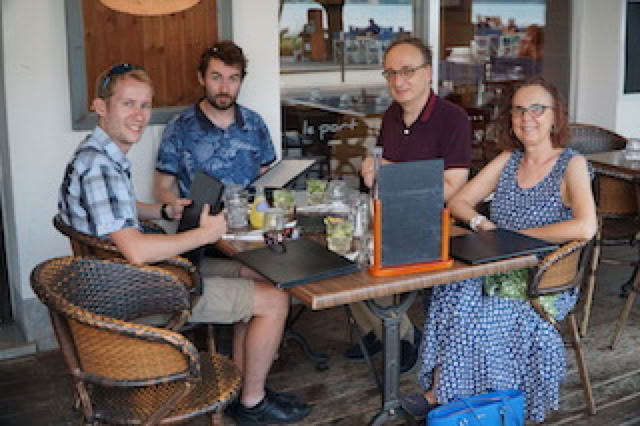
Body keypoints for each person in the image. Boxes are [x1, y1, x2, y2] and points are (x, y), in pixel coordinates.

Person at [57, 64, 311, 425]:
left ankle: (242, 388)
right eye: (128, 104)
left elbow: (117, 211)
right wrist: (205, 234)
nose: (139, 115)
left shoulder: (97, 155)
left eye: (145, 105)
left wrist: (163, 209)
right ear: (100, 106)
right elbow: (136, 251)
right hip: (134, 292)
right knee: (274, 300)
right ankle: (252, 404)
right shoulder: (100, 167)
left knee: (258, 274)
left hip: (122, 278)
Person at [413, 76, 597, 421]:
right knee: (450, 289)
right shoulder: (509, 159)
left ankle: (448, 398)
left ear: (555, 116)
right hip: (497, 263)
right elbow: (458, 202)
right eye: (519, 110)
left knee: (478, 309)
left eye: (537, 109)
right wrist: (484, 226)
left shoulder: (570, 164)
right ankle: (452, 396)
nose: (527, 117)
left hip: (543, 277)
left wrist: (520, 236)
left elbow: (586, 227)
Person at [347, 37, 471, 373]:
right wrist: (371, 170)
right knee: (343, 250)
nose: (398, 81)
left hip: (434, 225)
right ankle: (380, 329)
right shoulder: (392, 114)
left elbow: (452, 189)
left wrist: (388, 172)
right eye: (390, 73)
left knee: (368, 256)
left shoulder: (453, 119)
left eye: (407, 71)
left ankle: (400, 336)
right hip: (391, 216)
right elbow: (381, 174)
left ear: (428, 73)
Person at [155, 41, 276, 199]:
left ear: (241, 81)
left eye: (233, 79)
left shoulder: (255, 123)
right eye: (216, 78)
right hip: (202, 215)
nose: (224, 88)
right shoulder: (179, 126)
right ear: (201, 78)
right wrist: (176, 206)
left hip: (248, 214)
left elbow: (266, 179)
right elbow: (161, 189)